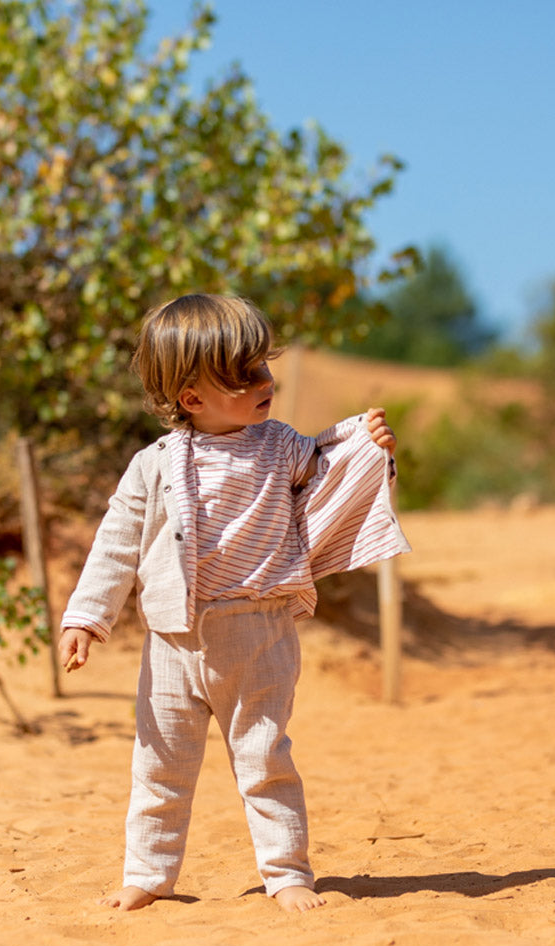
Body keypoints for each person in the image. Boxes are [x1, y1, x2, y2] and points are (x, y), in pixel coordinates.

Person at [59, 293, 409, 913]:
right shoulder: (154, 465)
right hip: (173, 639)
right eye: (245, 376)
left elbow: (335, 473)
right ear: (191, 398)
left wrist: (369, 446)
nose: (265, 382)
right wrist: (88, 616)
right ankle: (148, 874)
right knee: (159, 763)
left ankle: (286, 875)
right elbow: (115, 543)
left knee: (264, 759)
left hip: (259, 631)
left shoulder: (281, 446)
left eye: (264, 367)